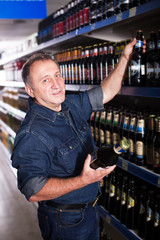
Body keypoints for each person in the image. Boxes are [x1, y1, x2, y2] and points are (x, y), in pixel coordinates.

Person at [11, 38, 137, 240]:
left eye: (57, 75)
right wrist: (83, 180)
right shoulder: (31, 134)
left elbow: (107, 91)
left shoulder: (70, 104)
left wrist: (124, 58)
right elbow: (32, 190)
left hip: (89, 211)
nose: (56, 84)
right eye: (45, 80)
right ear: (30, 91)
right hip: (65, 221)